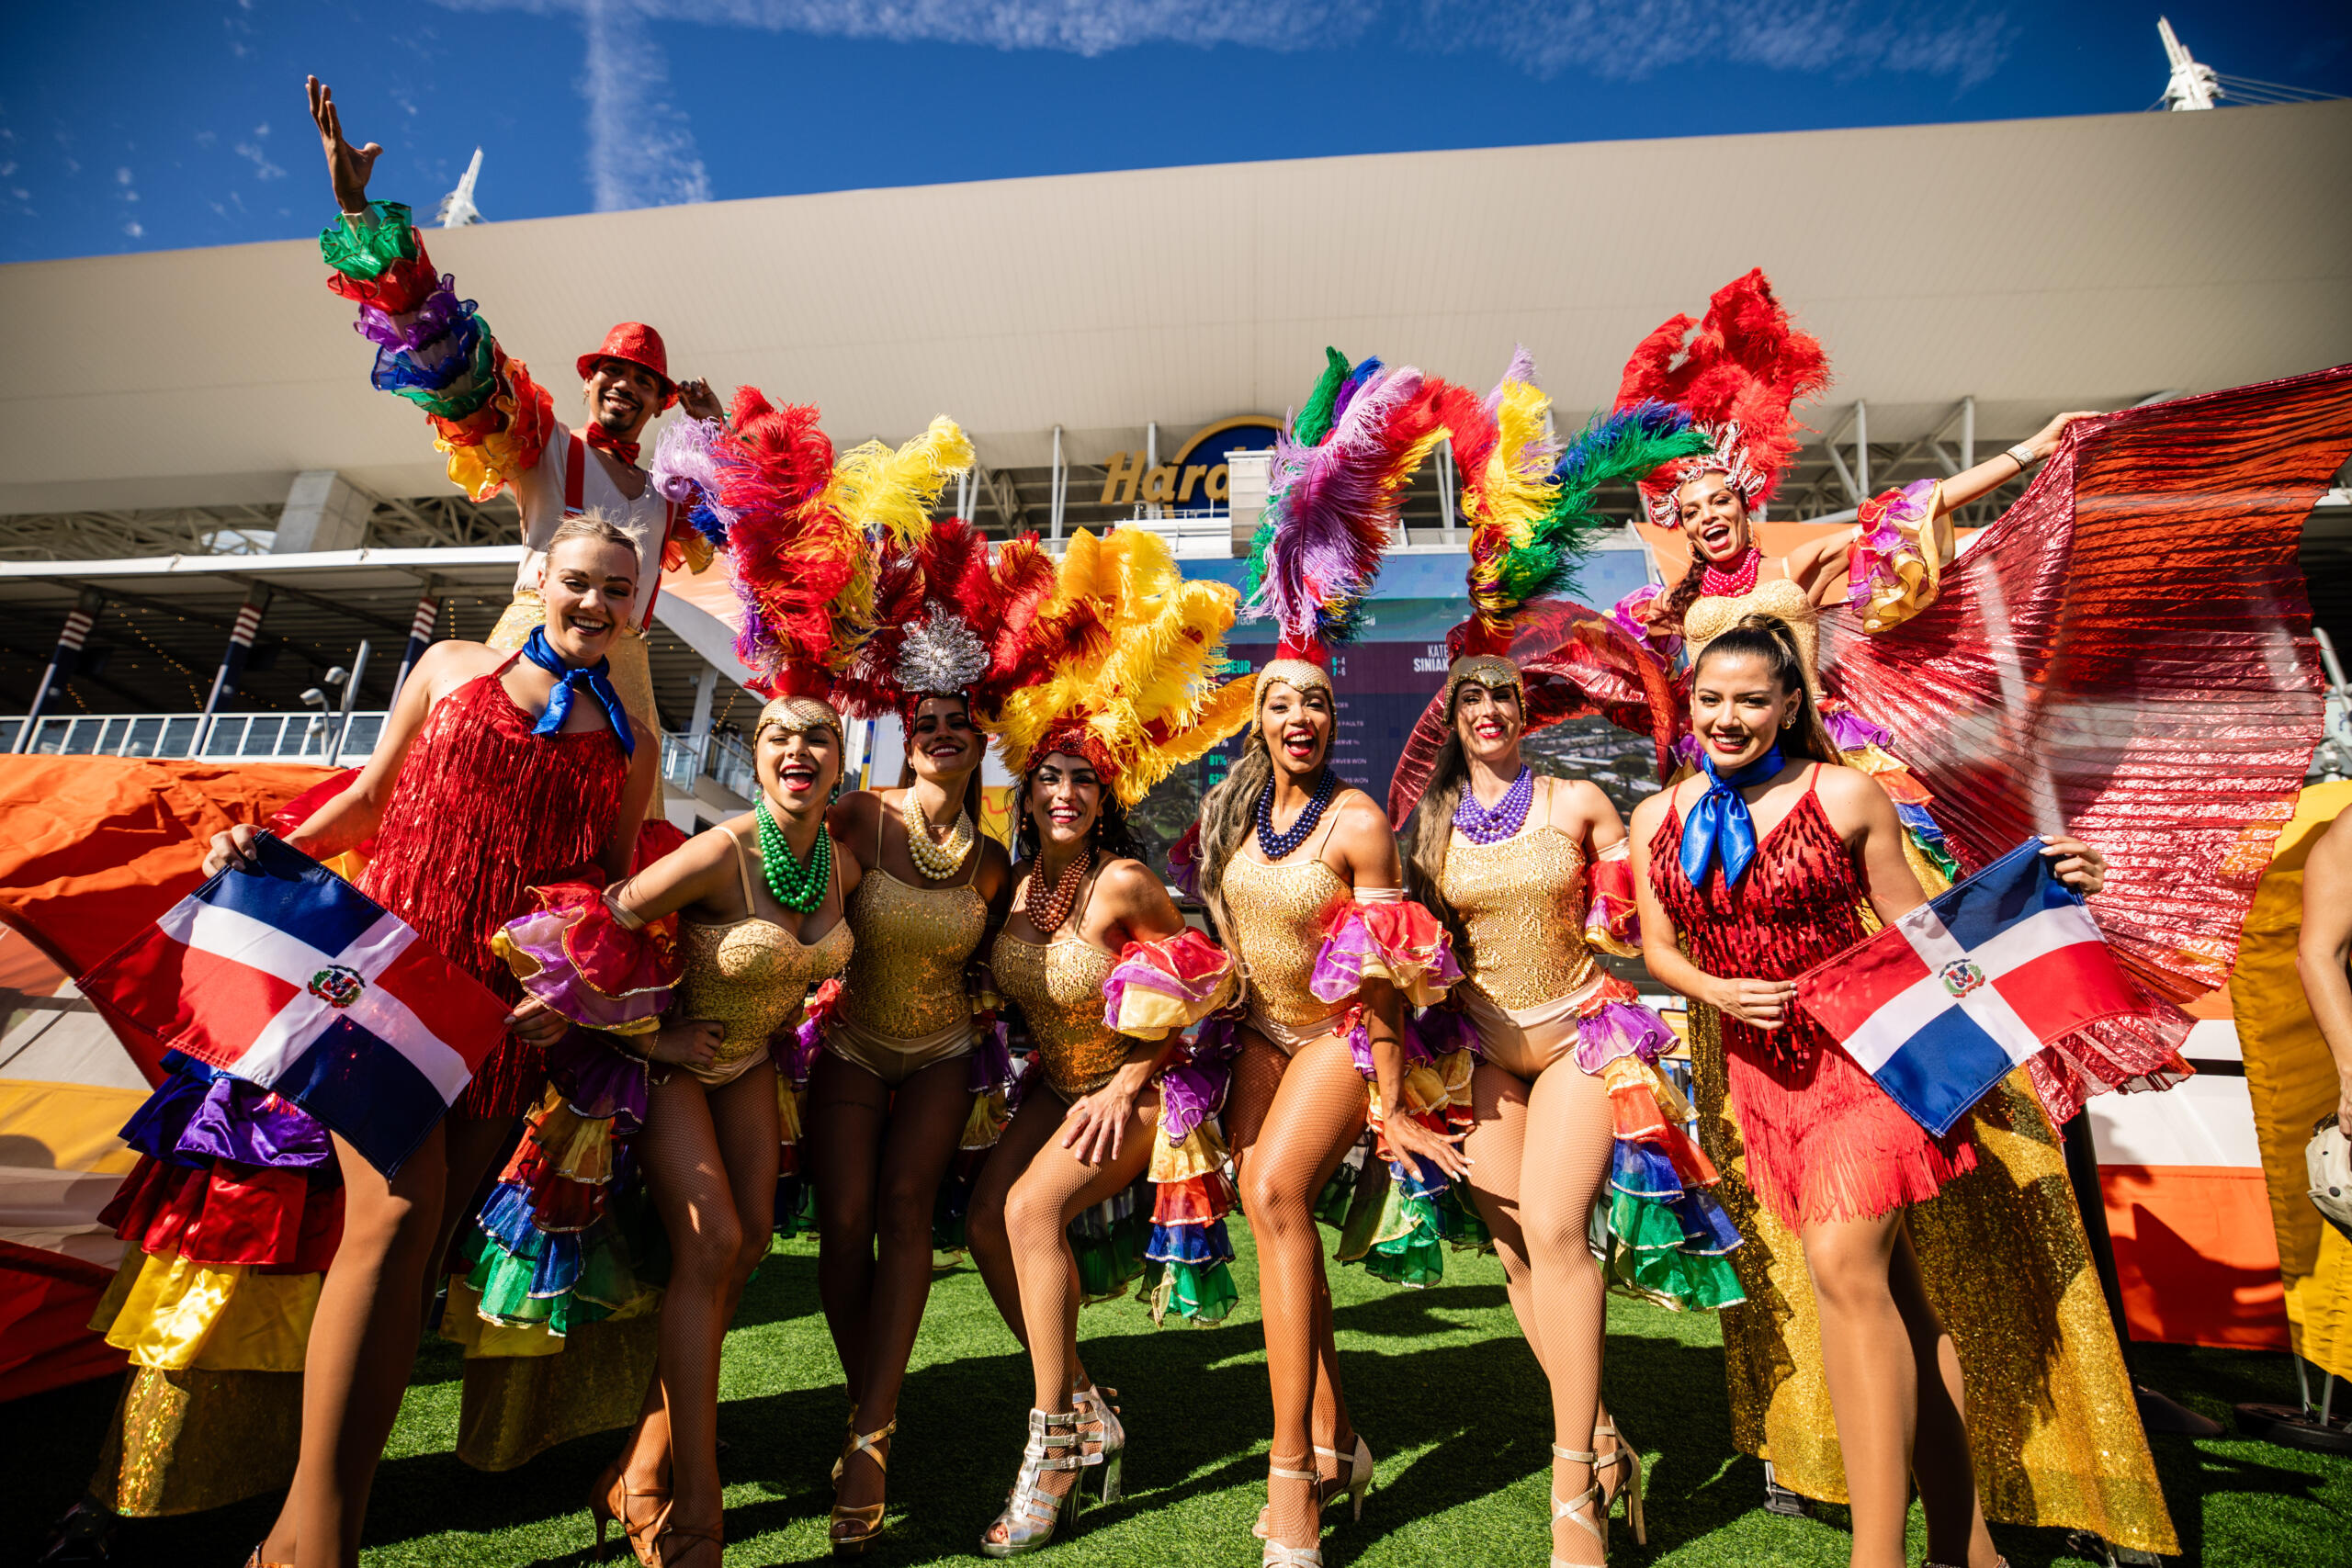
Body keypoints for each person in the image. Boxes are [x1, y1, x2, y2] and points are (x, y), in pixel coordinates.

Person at [181, 513, 656, 1568]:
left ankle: (305, 1535)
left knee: (415, 1250)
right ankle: (317, 1540)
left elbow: (609, 897)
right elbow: (366, 801)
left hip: (502, 1019)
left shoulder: (635, 737)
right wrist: (263, 849)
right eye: (579, 582)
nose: (595, 605)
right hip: (382, 986)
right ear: (540, 579)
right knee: (396, 1215)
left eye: (616, 592)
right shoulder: (447, 666)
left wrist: (575, 988)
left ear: (636, 607)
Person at [1630, 614, 2109, 1568]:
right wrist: (1717, 990)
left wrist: (2047, 894)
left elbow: (1921, 929)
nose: (1727, 718)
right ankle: (1965, 1545)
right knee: (1897, 1300)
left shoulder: (1844, 797)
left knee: (1842, 1271)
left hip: (1864, 1064)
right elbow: (1657, 951)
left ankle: (1875, 1558)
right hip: (1758, 1081)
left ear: (1790, 705)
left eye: (1751, 700)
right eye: (1711, 700)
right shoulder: (1658, 816)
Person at [650, 403, 998, 1555]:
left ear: (980, 739)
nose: (942, 732)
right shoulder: (850, 816)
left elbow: (1027, 936)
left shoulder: (995, 855)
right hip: (839, 1050)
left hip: (943, 1054)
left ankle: (871, 1429)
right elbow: (756, 867)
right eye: (926, 719)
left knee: (904, 1213)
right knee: (835, 1225)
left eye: (960, 722)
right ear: (900, 734)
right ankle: (850, 1406)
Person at [1200, 351, 1469, 1568]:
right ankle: (1344, 1429)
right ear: (1258, 718)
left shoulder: (1360, 821)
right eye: (1279, 703)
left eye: (1314, 702)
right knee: (1270, 1230)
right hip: (1250, 1038)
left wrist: (1386, 1095)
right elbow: (1216, 935)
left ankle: (1292, 1477)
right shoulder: (1227, 817)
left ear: (1332, 712)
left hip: (1329, 1040)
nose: (1299, 717)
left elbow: (1390, 971)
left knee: (1272, 1196)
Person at [490, 692, 860, 1567]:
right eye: (777, 734)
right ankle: (695, 1504)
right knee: (715, 1241)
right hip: (664, 1063)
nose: (797, 748)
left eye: (817, 736)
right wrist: (656, 1035)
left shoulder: (842, 865)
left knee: (751, 1242)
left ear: (841, 762)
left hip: (751, 1064)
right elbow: (601, 918)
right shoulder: (722, 847)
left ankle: (641, 1461)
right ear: (758, 754)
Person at [960, 526, 1249, 1555]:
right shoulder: (1015, 887)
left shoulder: (1122, 885)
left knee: (1032, 1211)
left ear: (1104, 792)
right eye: (1050, 779)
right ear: (1027, 792)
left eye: (1084, 780)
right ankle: (1085, 1402)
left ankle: (1049, 1444)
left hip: (1134, 1095)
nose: (1066, 794)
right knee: (984, 1225)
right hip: (1053, 1085)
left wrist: (1129, 1084)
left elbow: (1207, 993)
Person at [305, 73, 723, 734]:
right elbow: (441, 344)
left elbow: (762, 526)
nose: (625, 386)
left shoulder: (671, 498)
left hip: (628, 681)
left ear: (659, 402)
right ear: (587, 384)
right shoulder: (541, 440)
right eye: (612, 372)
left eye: (643, 380)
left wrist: (718, 436)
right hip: (531, 652)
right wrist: (359, 210)